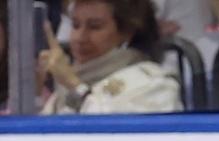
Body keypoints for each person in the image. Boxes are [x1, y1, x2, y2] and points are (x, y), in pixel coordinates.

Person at [38, 0, 182, 114]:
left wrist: (74, 87)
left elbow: (116, 139)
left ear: (126, 32)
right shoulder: (65, 86)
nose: (80, 37)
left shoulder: (155, 84)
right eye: (75, 25)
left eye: (95, 26)